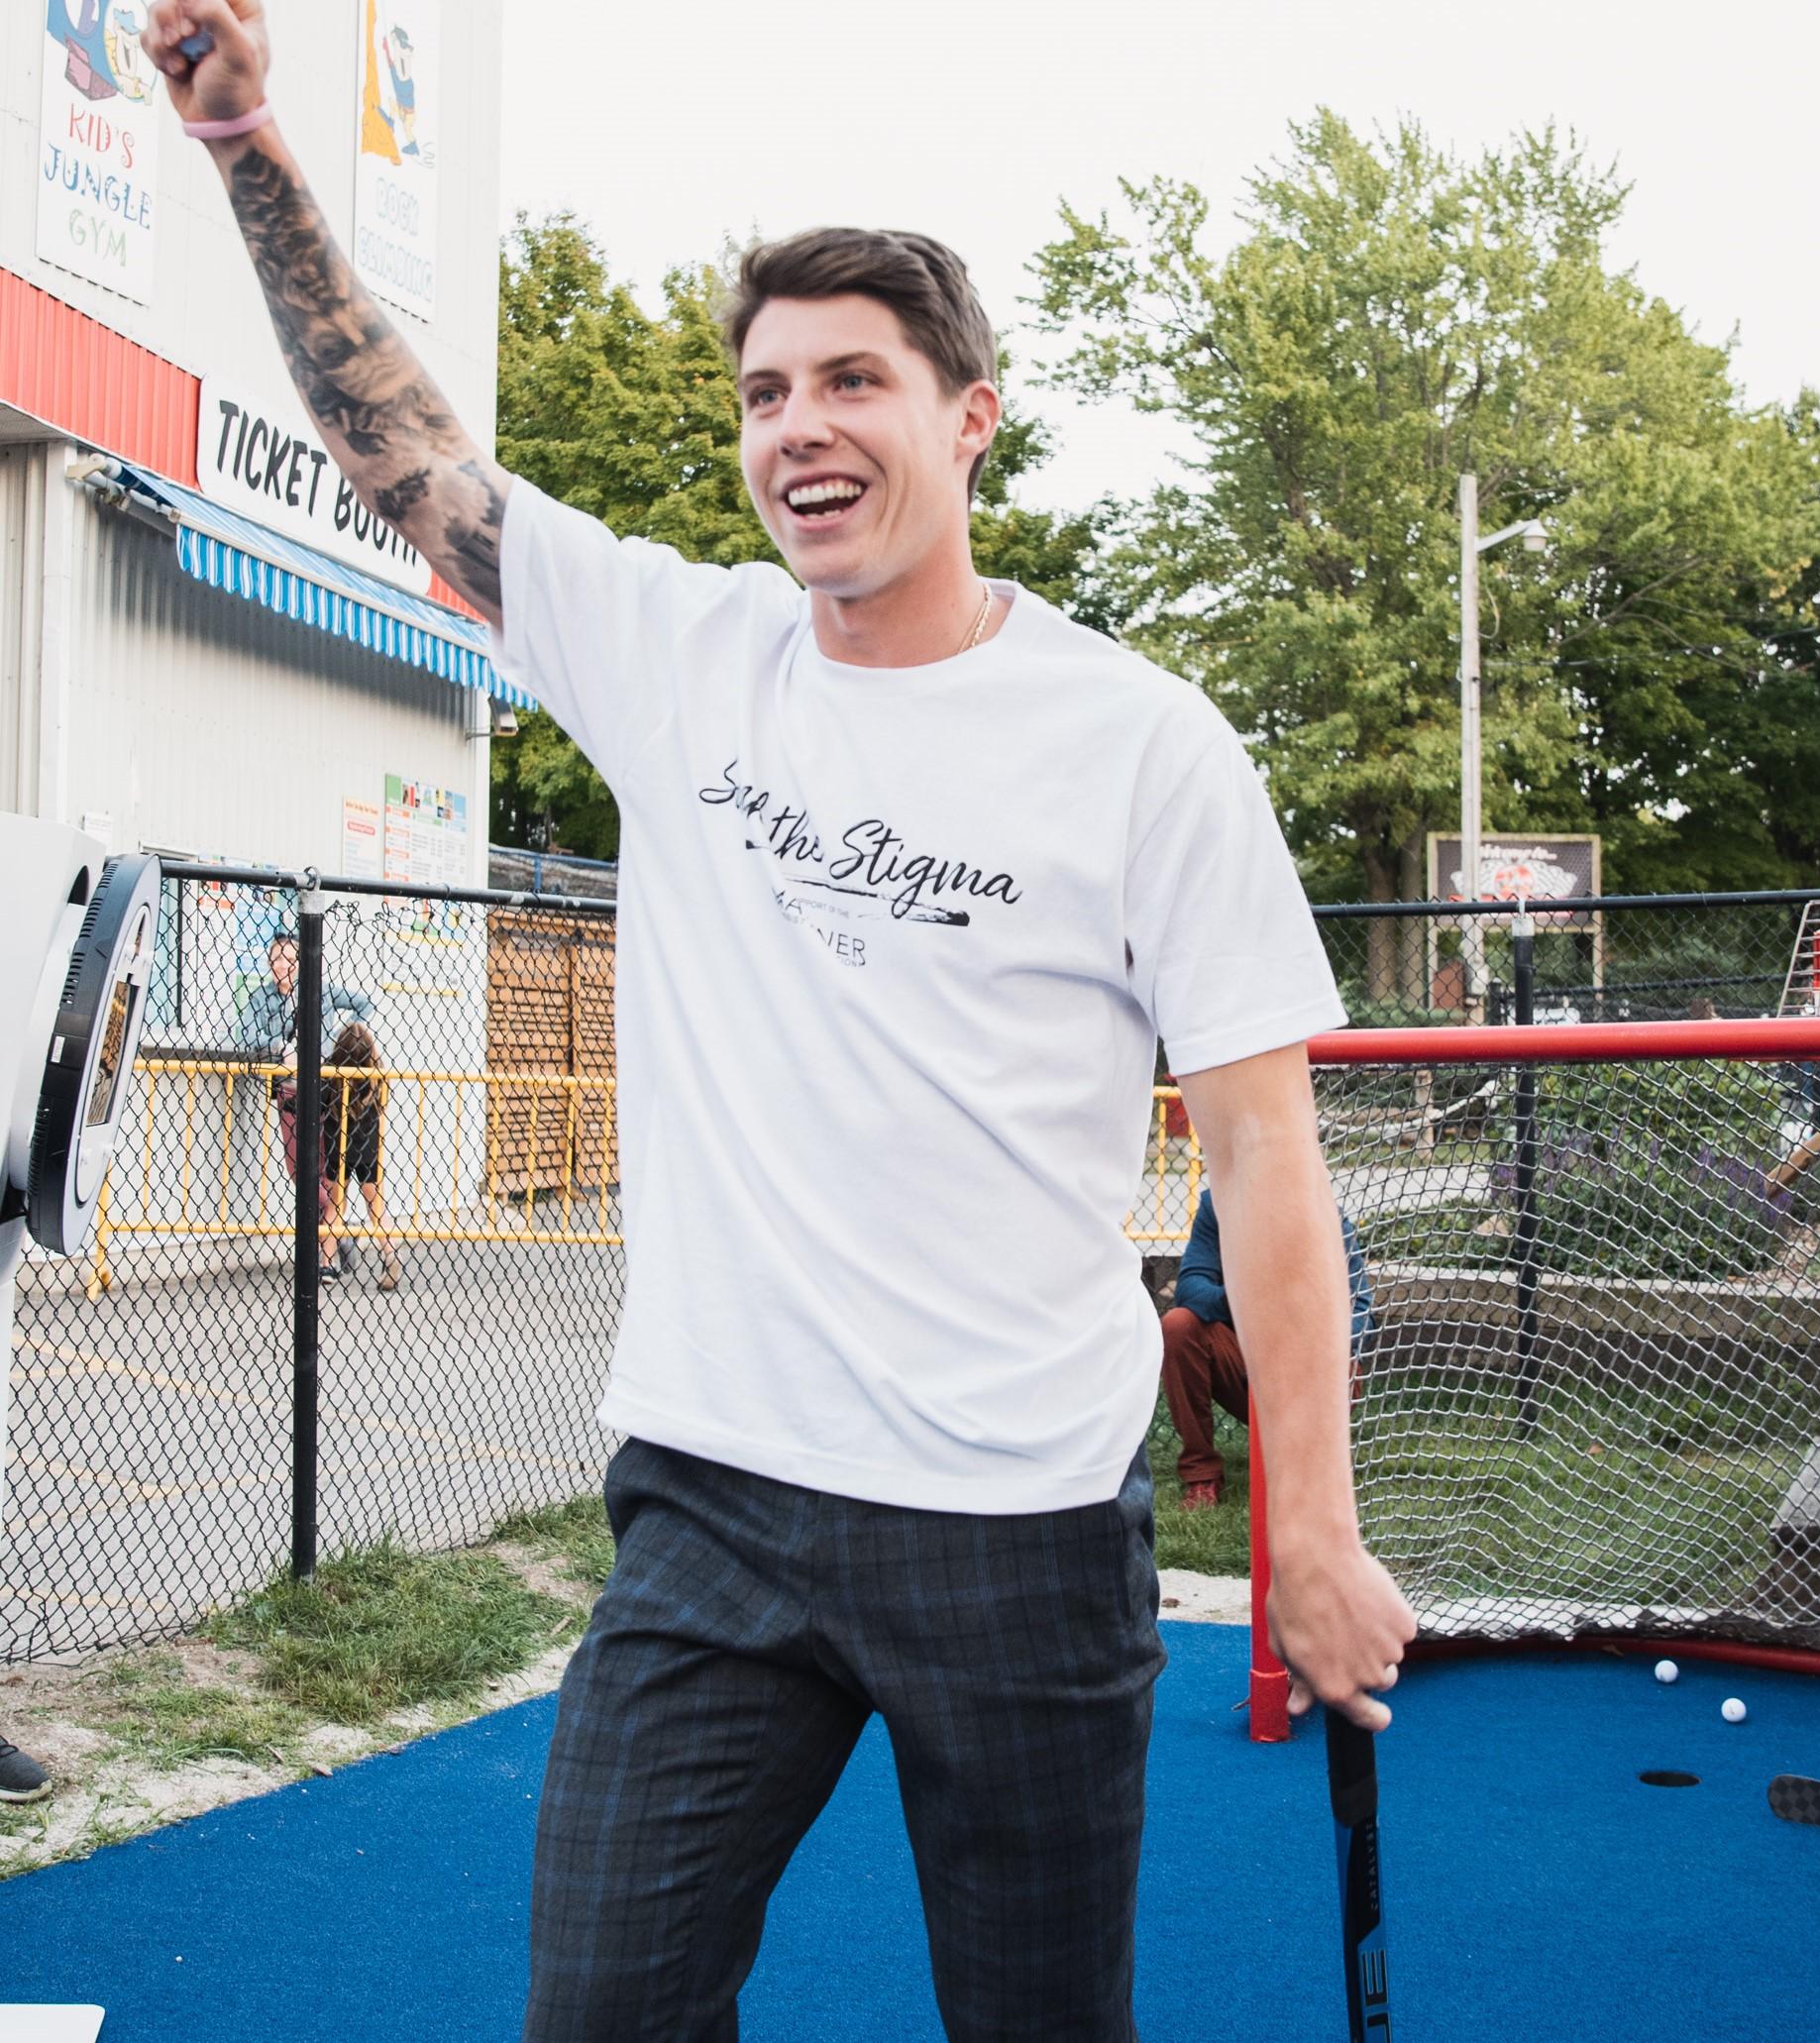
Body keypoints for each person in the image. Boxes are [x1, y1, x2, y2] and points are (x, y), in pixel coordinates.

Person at [145, 7, 1414, 2036]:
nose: (795, 425)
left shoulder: (1138, 747)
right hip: (717, 1500)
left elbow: (1267, 1151)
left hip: (1016, 1510)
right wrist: (244, 140)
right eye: (760, 390)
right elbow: (405, 455)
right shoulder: (679, 650)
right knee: (604, 2008)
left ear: (969, 419)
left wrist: (1315, 1528)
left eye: (850, 380)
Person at [1162, 1186, 1372, 1507]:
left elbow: (1361, 1306)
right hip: (1247, 1365)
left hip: (1312, 1369)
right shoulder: (1218, 1203)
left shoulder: (1319, 1208)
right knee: (1178, 1326)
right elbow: (1190, 1288)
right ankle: (1201, 1475)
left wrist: (1319, 1349)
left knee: (1343, 1357)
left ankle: (1315, 1463)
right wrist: (1246, 1292)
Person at [235, 931, 375, 1273]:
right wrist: (279, 1047)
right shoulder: (261, 998)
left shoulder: (321, 990)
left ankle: (325, 1246)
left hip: (326, 1088)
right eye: (275, 959)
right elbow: (246, 1034)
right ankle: (338, 1234)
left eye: (288, 958)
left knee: (328, 1167)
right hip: (290, 1090)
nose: (281, 965)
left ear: (300, 962)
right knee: (300, 1171)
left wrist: (336, 1041)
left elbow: (365, 1003)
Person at [321, 1020, 399, 1292]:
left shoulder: (330, 1077)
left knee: (334, 1209)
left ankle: (328, 1265)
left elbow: (315, 1102)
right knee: (376, 1208)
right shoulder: (376, 1079)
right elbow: (382, 1108)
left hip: (336, 1150)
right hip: (368, 1150)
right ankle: (390, 1255)